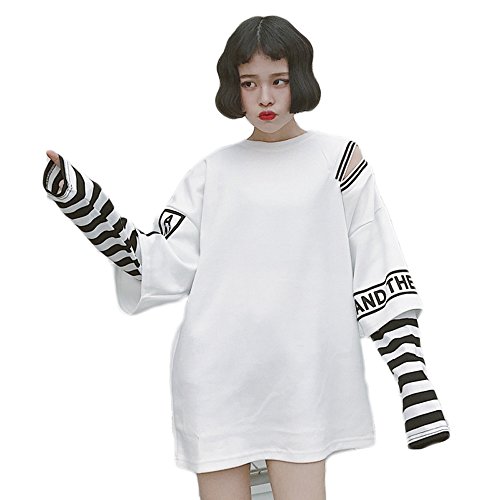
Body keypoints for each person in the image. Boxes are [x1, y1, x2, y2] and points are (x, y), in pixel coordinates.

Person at [42, 15, 450, 500]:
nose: (265, 97)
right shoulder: (212, 173)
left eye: (279, 80)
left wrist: (412, 382)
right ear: (233, 89)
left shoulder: (338, 161)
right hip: (217, 377)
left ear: (300, 78)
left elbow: (377, 264)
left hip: (304, 377)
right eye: (250, 83)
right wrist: (81, 199)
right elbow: (156, 263)